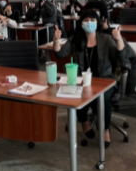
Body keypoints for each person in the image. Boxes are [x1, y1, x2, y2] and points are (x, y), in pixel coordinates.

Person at [51, 9, 129, 144]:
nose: (89, 23)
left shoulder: (105, 39)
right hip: (81, 79)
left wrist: (118, 39)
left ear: (97, 23)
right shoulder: (76, 39)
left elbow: (120, 57)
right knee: (76, 94)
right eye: (86, 20)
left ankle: (105, 130)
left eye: (92, 20)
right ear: (81, 23)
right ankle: (84, 121)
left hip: (104, 79)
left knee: (102, 98)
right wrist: (56, 40)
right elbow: (60, 54)